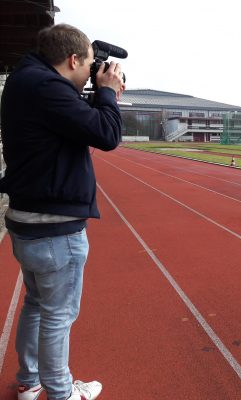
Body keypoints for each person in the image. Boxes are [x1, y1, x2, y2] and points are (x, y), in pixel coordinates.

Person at [0, 24, 125, 400]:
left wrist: (95, 92)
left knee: (37, 305)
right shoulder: (46, 88)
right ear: (73, 60)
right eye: (89, 65)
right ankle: (60, 393)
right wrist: (107, 93)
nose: (92, 72)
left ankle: (30, 380)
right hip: (55, 228)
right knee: (58, 315)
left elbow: (69, 122)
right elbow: (107, 135)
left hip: (29, 220)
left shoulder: (27, 80)